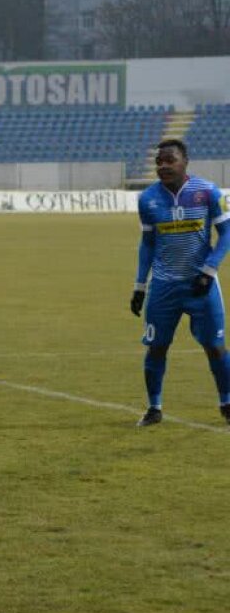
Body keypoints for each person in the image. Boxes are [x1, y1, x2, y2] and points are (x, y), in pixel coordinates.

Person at [131, 138, 230, 426]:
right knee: (157, 347)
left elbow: (226, 234)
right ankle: (154, 408)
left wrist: (209, 270)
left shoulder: (208, 192)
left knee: (215, 347)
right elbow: (148, 243)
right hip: (163, 286)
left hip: (202, 284)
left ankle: (227, 401)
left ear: (185, 161)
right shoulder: (147, 198)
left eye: (169, 160)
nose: (163, 166)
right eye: (159, 161)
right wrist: (139, 286)